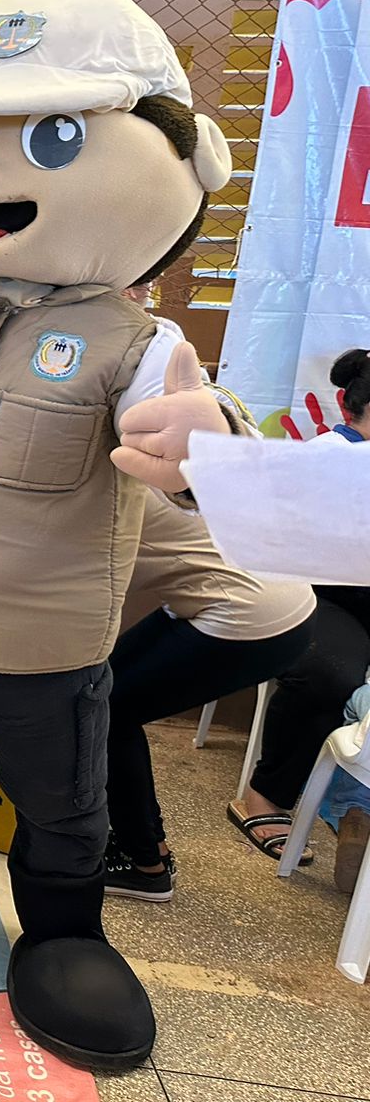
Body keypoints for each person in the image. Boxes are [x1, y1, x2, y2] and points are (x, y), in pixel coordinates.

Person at [0, 0, 246, 1069]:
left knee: (59, 800)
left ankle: (65, 935)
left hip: (47, 645)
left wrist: (200, 443)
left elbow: (175, 437)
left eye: (53, 137)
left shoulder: (134, 342)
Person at [104, 489, 316, 900]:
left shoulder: (111, 487)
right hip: (271, 596)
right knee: (105, 698)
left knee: (106, 710)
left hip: (248, 614)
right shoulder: (148, 461)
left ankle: (144, 862)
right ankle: (147, 849)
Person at [229, 348, 370, 882]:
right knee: (328, 675)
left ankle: (352, 807)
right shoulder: (330, 455)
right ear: (355, 406)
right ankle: (263, 796)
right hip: (322, 593)